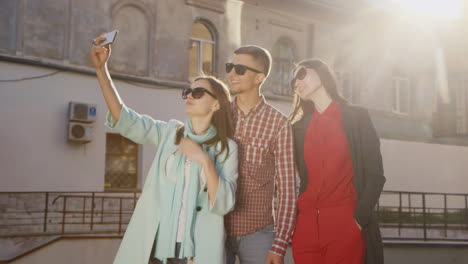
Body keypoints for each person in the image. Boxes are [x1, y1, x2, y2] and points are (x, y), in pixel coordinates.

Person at [90, 36, 238, 264]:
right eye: (188, 91)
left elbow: (224, 203)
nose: (189, 95)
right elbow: (126, 119)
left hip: (195, 250)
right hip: (155, 244)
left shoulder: (227, 148)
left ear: (217, 103)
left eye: (198, 93)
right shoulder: (170, 133)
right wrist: (102, 70)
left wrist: (205, 161)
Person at [289, 59, 386, 264]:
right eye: (293, 82)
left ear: (321, 73)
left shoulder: (356, 118)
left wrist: (358, 221)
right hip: (306, 228)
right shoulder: (297, 128)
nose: (296, 83)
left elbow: (375, 175)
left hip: (345, 224)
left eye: (301, 74)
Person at [224, 45, 297, 264]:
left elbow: (287, 189)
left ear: (259, 78)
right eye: (230, 67)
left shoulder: (279, 124)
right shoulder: (218, 115)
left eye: (239, 69)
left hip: (258, 233)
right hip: (216, 229)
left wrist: (280, 243)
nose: (231, 74)